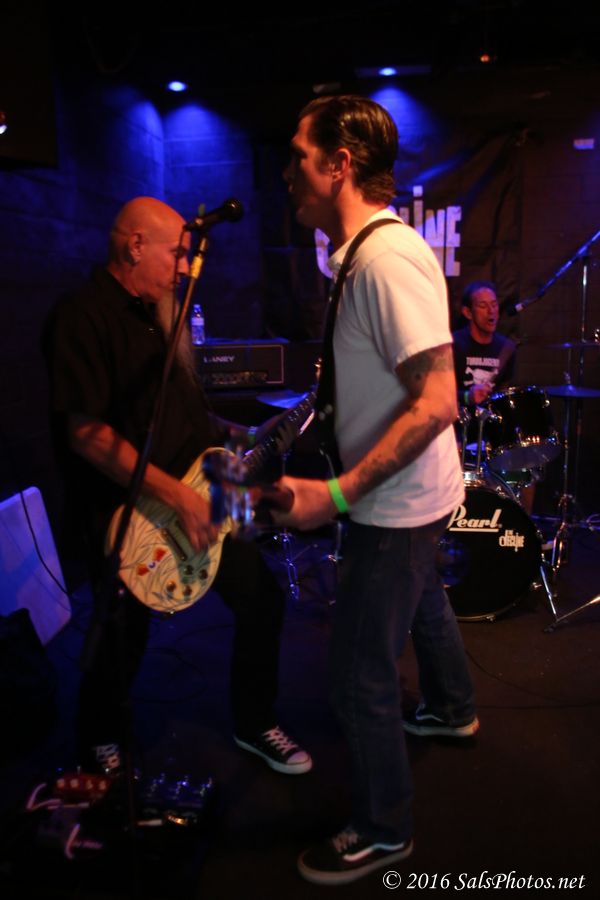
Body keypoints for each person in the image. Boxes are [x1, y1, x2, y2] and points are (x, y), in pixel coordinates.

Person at [275, 95, 478, 885]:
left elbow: (438, 401)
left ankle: (383, 829)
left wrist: (338, 493)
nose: (289, 170)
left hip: (392, 506)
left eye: (300, 154)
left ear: (339, 164)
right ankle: (453, 709)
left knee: (359, 674)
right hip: (415, 497)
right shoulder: (363, 256)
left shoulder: (385, 260)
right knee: (425, 600)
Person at [43, 196, 311, 780]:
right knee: (122, 631)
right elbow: (87, 434)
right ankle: (98, 739)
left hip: (199, 494)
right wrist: (177, 496)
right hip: (127, 511)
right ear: (135, 246)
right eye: (177, 253)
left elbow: (181, 415)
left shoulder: (160, 314)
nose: (185, 267)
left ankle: (254, 721)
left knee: (262, 598)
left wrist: (237, 434)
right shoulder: (82, 316)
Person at [452, 281, 516, 409]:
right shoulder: (453, 345)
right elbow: (438, 392)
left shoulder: (507, 348)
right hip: (459, 417)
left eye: (494, 305)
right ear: (468, 312)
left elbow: (505, 394)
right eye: (483, 305)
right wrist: (467, 397)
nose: (491, 311)